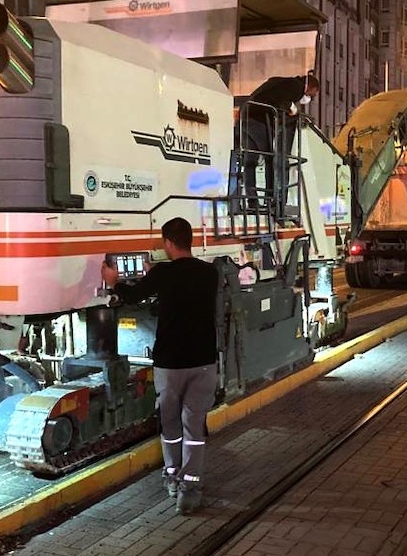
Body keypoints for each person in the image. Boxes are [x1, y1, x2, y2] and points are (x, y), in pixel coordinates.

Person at [100, 217, 219, 515]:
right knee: (194, 426)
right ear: (191, 240)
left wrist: (114, 281)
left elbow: (132, 296)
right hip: (204, 362)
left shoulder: (163, 273)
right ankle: (190, 488)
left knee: (170, 425)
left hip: (170, 364)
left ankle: (172, 477)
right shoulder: (210, 273)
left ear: (167, 243)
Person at [237, 71, 320, 209]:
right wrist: (293, 110)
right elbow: (282, 102)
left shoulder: (282, 82)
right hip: (259, 119)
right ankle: (271, 199)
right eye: (312, 94)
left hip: (246, 115)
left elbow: (274, 94)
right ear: (310, 87)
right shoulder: (296, 87)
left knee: (250, 162)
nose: (311, 97)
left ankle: (252, 201)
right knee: (270, 159)